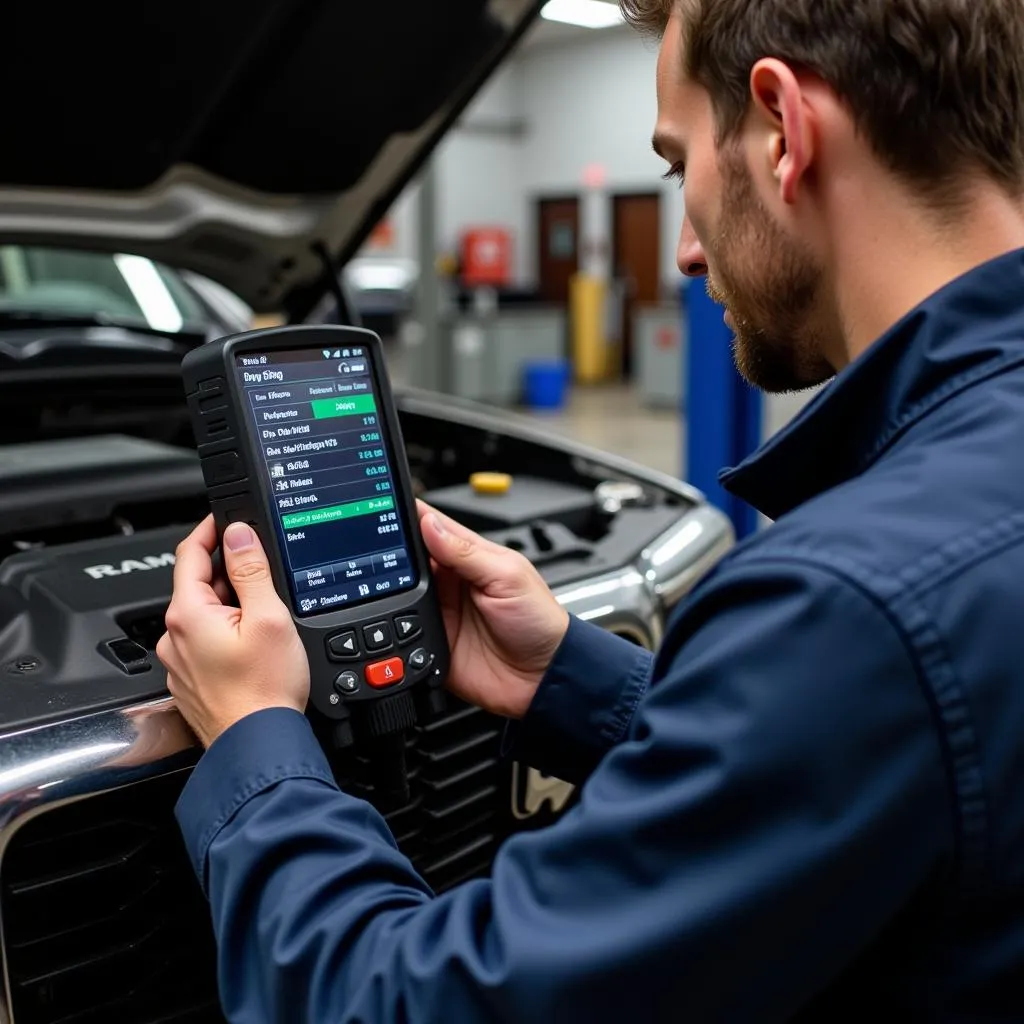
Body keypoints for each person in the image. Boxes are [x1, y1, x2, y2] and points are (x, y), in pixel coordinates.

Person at [157, 0, 1024, 1019]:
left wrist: (257, 736)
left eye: (678, 167)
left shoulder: (851, 604)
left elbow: (402, 1003)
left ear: (782, 130)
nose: (688, 253)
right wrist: (572, 674)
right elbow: (873, 779)